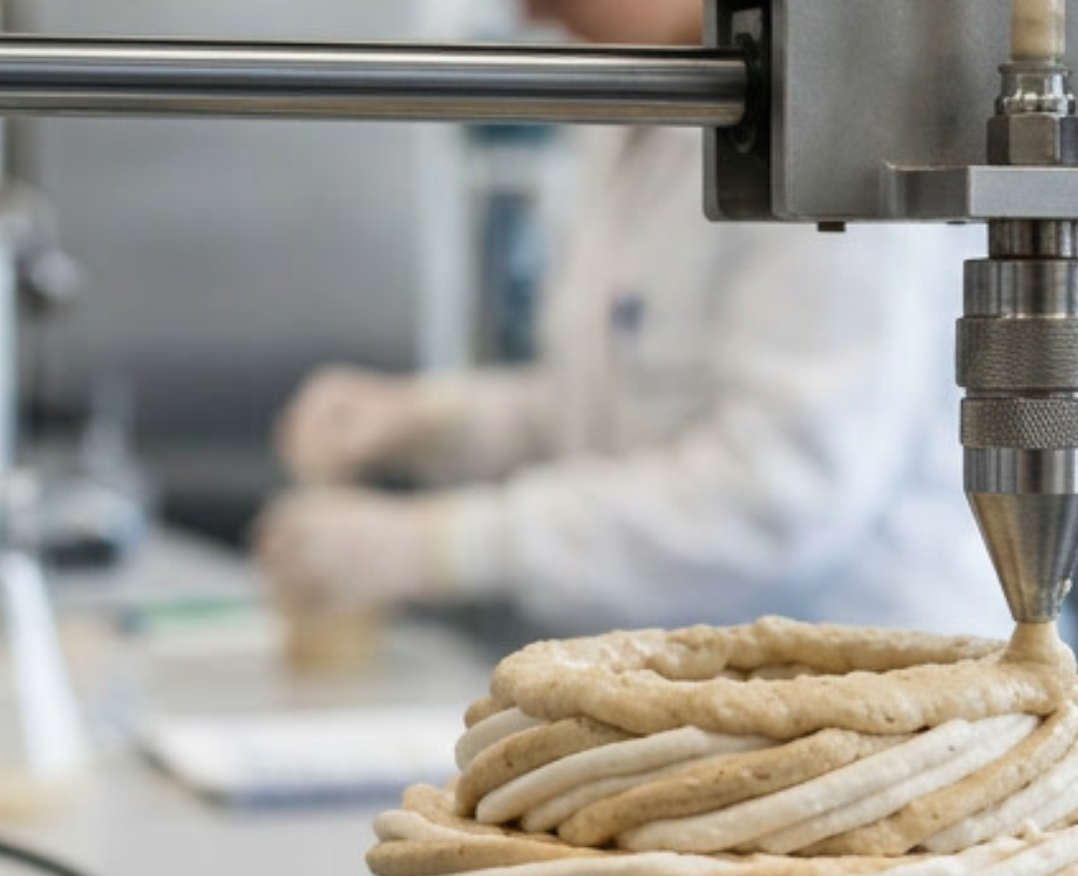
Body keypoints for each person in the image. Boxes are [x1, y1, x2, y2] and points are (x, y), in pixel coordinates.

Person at [254, 0, 1007, 638]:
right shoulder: (635, 110)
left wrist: (450, 546)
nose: (532, 15)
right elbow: (615, 401)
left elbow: (779, 494)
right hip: (709, 681)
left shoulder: (830, 110)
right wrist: (435, 422)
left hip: (882, 681)